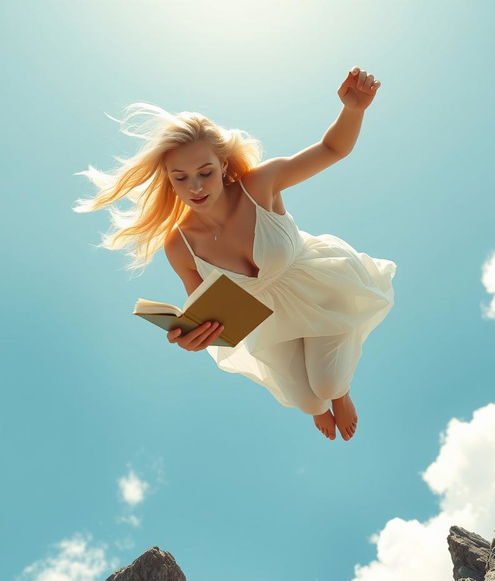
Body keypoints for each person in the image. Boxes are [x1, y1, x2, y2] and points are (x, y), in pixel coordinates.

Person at [73, 66, 396, 442]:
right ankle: (320, 405)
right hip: (268, 322)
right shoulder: (179, 245)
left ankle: (340, 393)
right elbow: (203, 307)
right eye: (180, 177)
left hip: (320, 291)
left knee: (327, 384)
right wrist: (192, 336)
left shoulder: (260, 184)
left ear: (223, 165)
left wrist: (354, 109)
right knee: (308, 402)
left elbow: (332, 149)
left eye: (205, 172)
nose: (194, 186)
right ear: (168, 179)